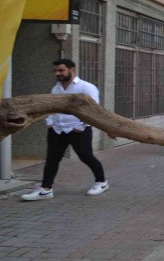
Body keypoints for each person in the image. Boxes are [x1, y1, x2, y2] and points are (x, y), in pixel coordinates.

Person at [21, 59, 109, 201]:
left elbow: (94, 111)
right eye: (55, 71)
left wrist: (80, 126)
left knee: (86, 157)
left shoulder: (86, 87)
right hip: (56, 130)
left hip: (78, 130)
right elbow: (51, 108)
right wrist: (49, 122)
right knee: (51, 160)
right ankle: (46, 189)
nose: (58, 73)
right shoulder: (56, 89)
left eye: (61, 70)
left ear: (72, 69)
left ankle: (101, 182)